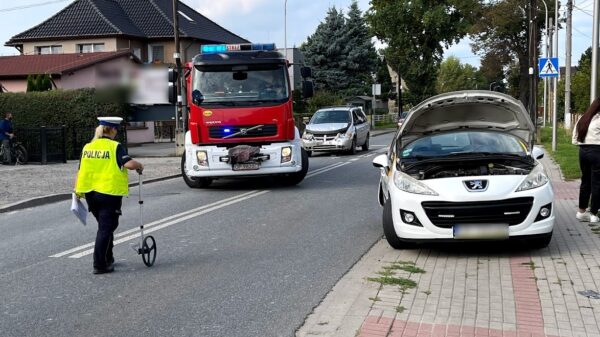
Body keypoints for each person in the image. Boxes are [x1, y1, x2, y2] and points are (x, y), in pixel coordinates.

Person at [75, 117, 144, 274]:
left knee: (106, 226)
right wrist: (139, 165)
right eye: (116, 129)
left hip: (90, 194)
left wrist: (77, 191)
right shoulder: (115, 147)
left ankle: (108, 257)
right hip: (108, 194)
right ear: (112, 130)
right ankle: (99, 264)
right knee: (106, 228)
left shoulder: (88, 147)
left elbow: (80, 171)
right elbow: (128, 164)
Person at [572, 97, 600, 223]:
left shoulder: (583, 118)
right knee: (597, 183)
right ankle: (594, 213)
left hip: (582, 151)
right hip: (597, 151)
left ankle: (581, 211)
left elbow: (574, 139)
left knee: (585, 181)